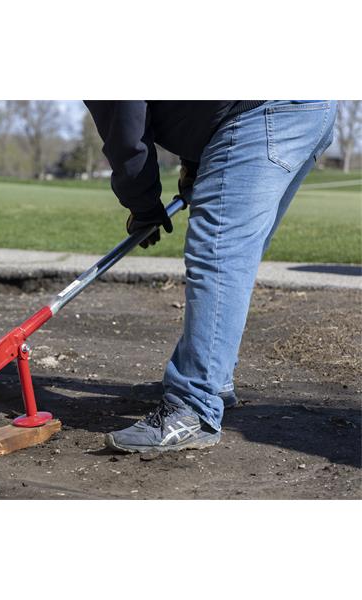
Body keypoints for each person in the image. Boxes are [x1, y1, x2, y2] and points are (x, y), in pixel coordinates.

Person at [84, 100, 337, 453]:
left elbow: (126, 127)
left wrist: (143, 206)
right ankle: (210, 381)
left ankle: (192, 407)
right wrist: (197, 163)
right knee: (234, 255)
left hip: (263, 110)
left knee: (219, 250)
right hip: (305, 106)